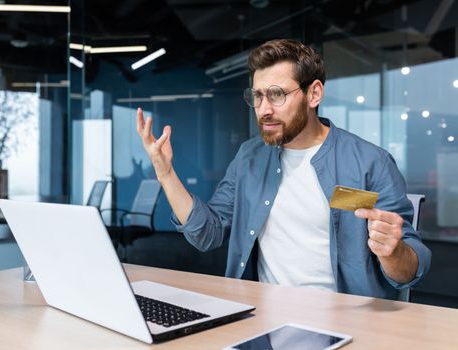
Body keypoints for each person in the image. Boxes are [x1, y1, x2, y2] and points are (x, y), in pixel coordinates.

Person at [136, 39, 431, 300]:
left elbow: (409, 269)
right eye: (258, 95)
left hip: (347, 321)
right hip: (261, 317)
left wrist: (393, 253)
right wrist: (165, 173)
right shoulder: (249, 157)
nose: (264, 109)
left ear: (314, 94)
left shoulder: (370, 162)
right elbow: (207, 234)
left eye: (277, 94)